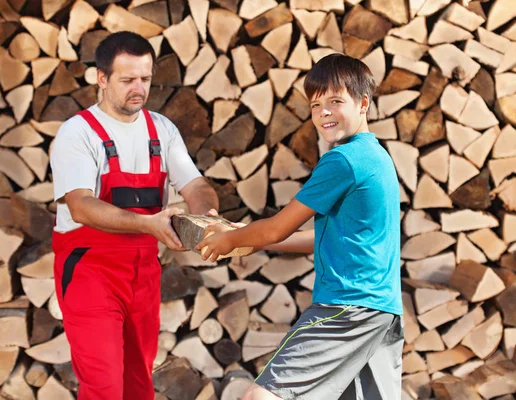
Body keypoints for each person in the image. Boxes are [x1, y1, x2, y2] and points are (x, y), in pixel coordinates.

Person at [198, 53, 403, 400]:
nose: (323, 112)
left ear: (363, 103)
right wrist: (250, 237)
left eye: (336, 101)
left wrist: (230, 240)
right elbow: (323, 239)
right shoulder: (377, 156)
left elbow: (278, 228)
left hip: (344, 308)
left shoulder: (343, 160)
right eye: (315, 104)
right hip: (380, 311)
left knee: (261, 397)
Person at [50, 31, 218, 400]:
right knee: (105, 386)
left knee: (138, 384)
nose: (138, 88)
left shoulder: (161, 130)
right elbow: (81, 205)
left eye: (145, 78)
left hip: (142, 271)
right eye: (127, 80)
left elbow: (195, 185)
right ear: (102, 78)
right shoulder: (77, 133)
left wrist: (208, 218)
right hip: (89, 271)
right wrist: (147, 224)